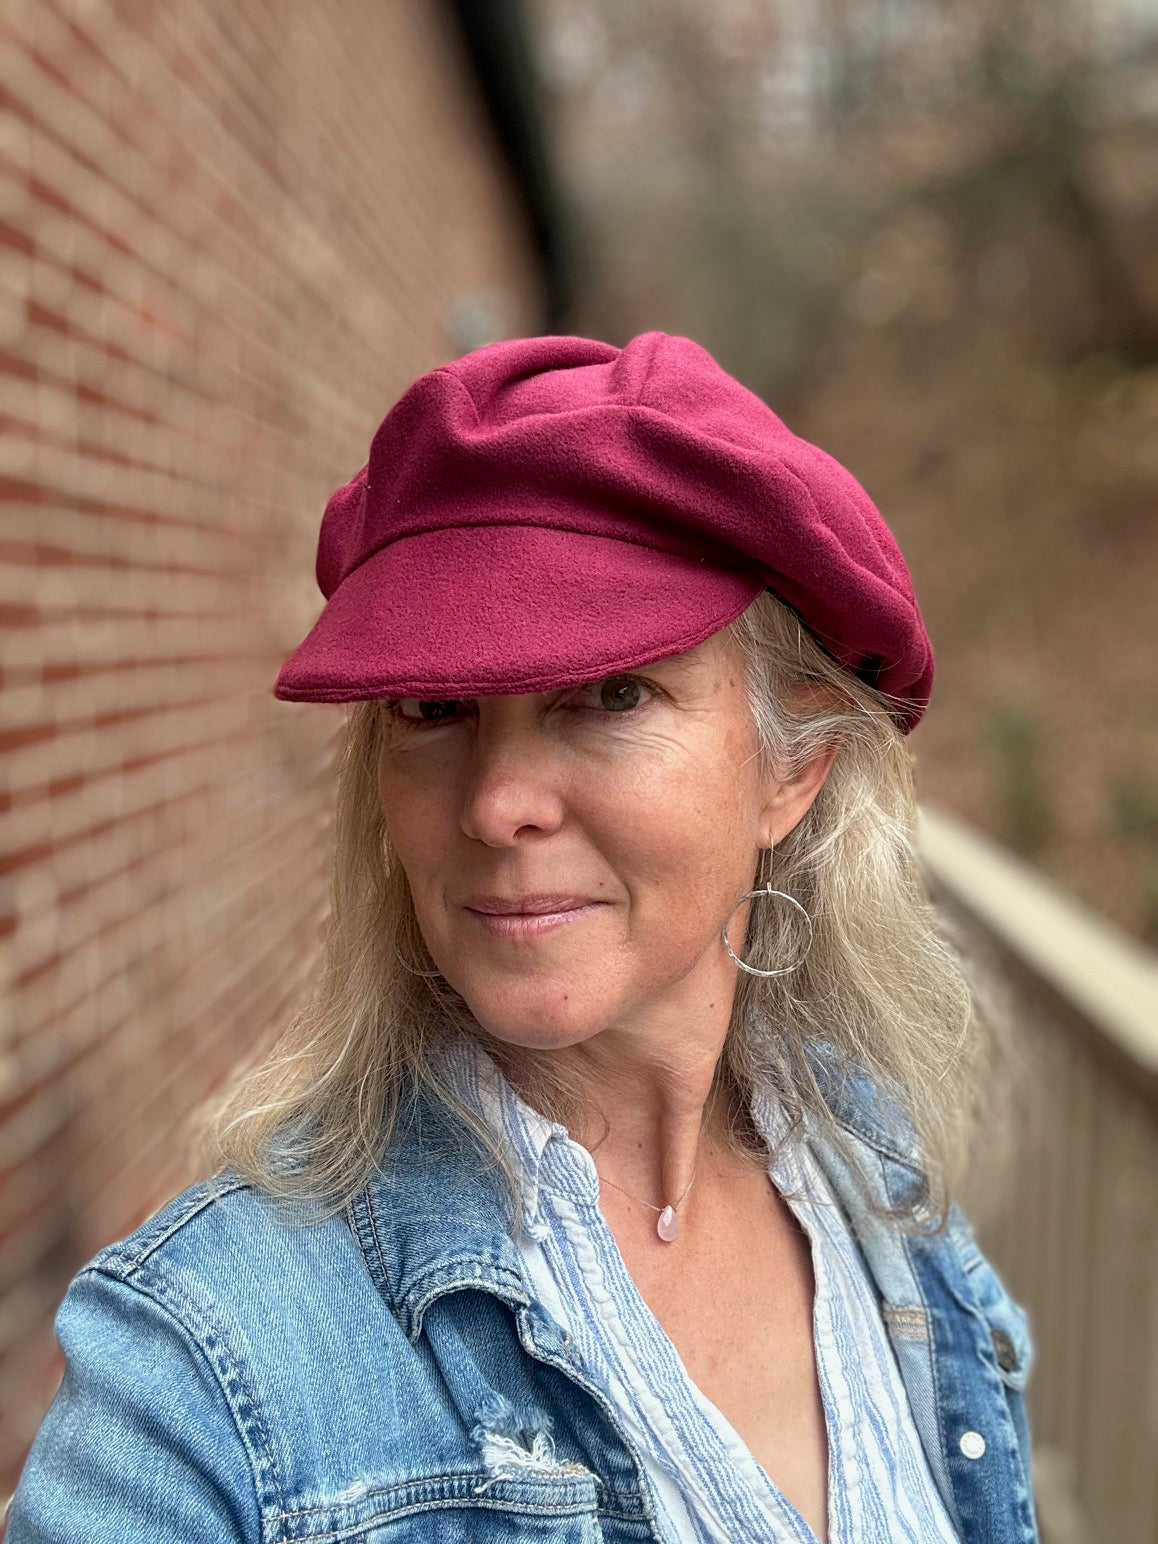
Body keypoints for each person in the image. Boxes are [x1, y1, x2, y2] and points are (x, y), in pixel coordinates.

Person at [7, 331, 1038, 1544]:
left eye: (609, 694)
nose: (498, 804)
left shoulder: (876, 1185)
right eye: (435, 710)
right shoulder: (201, 1370)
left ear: (794, 766)